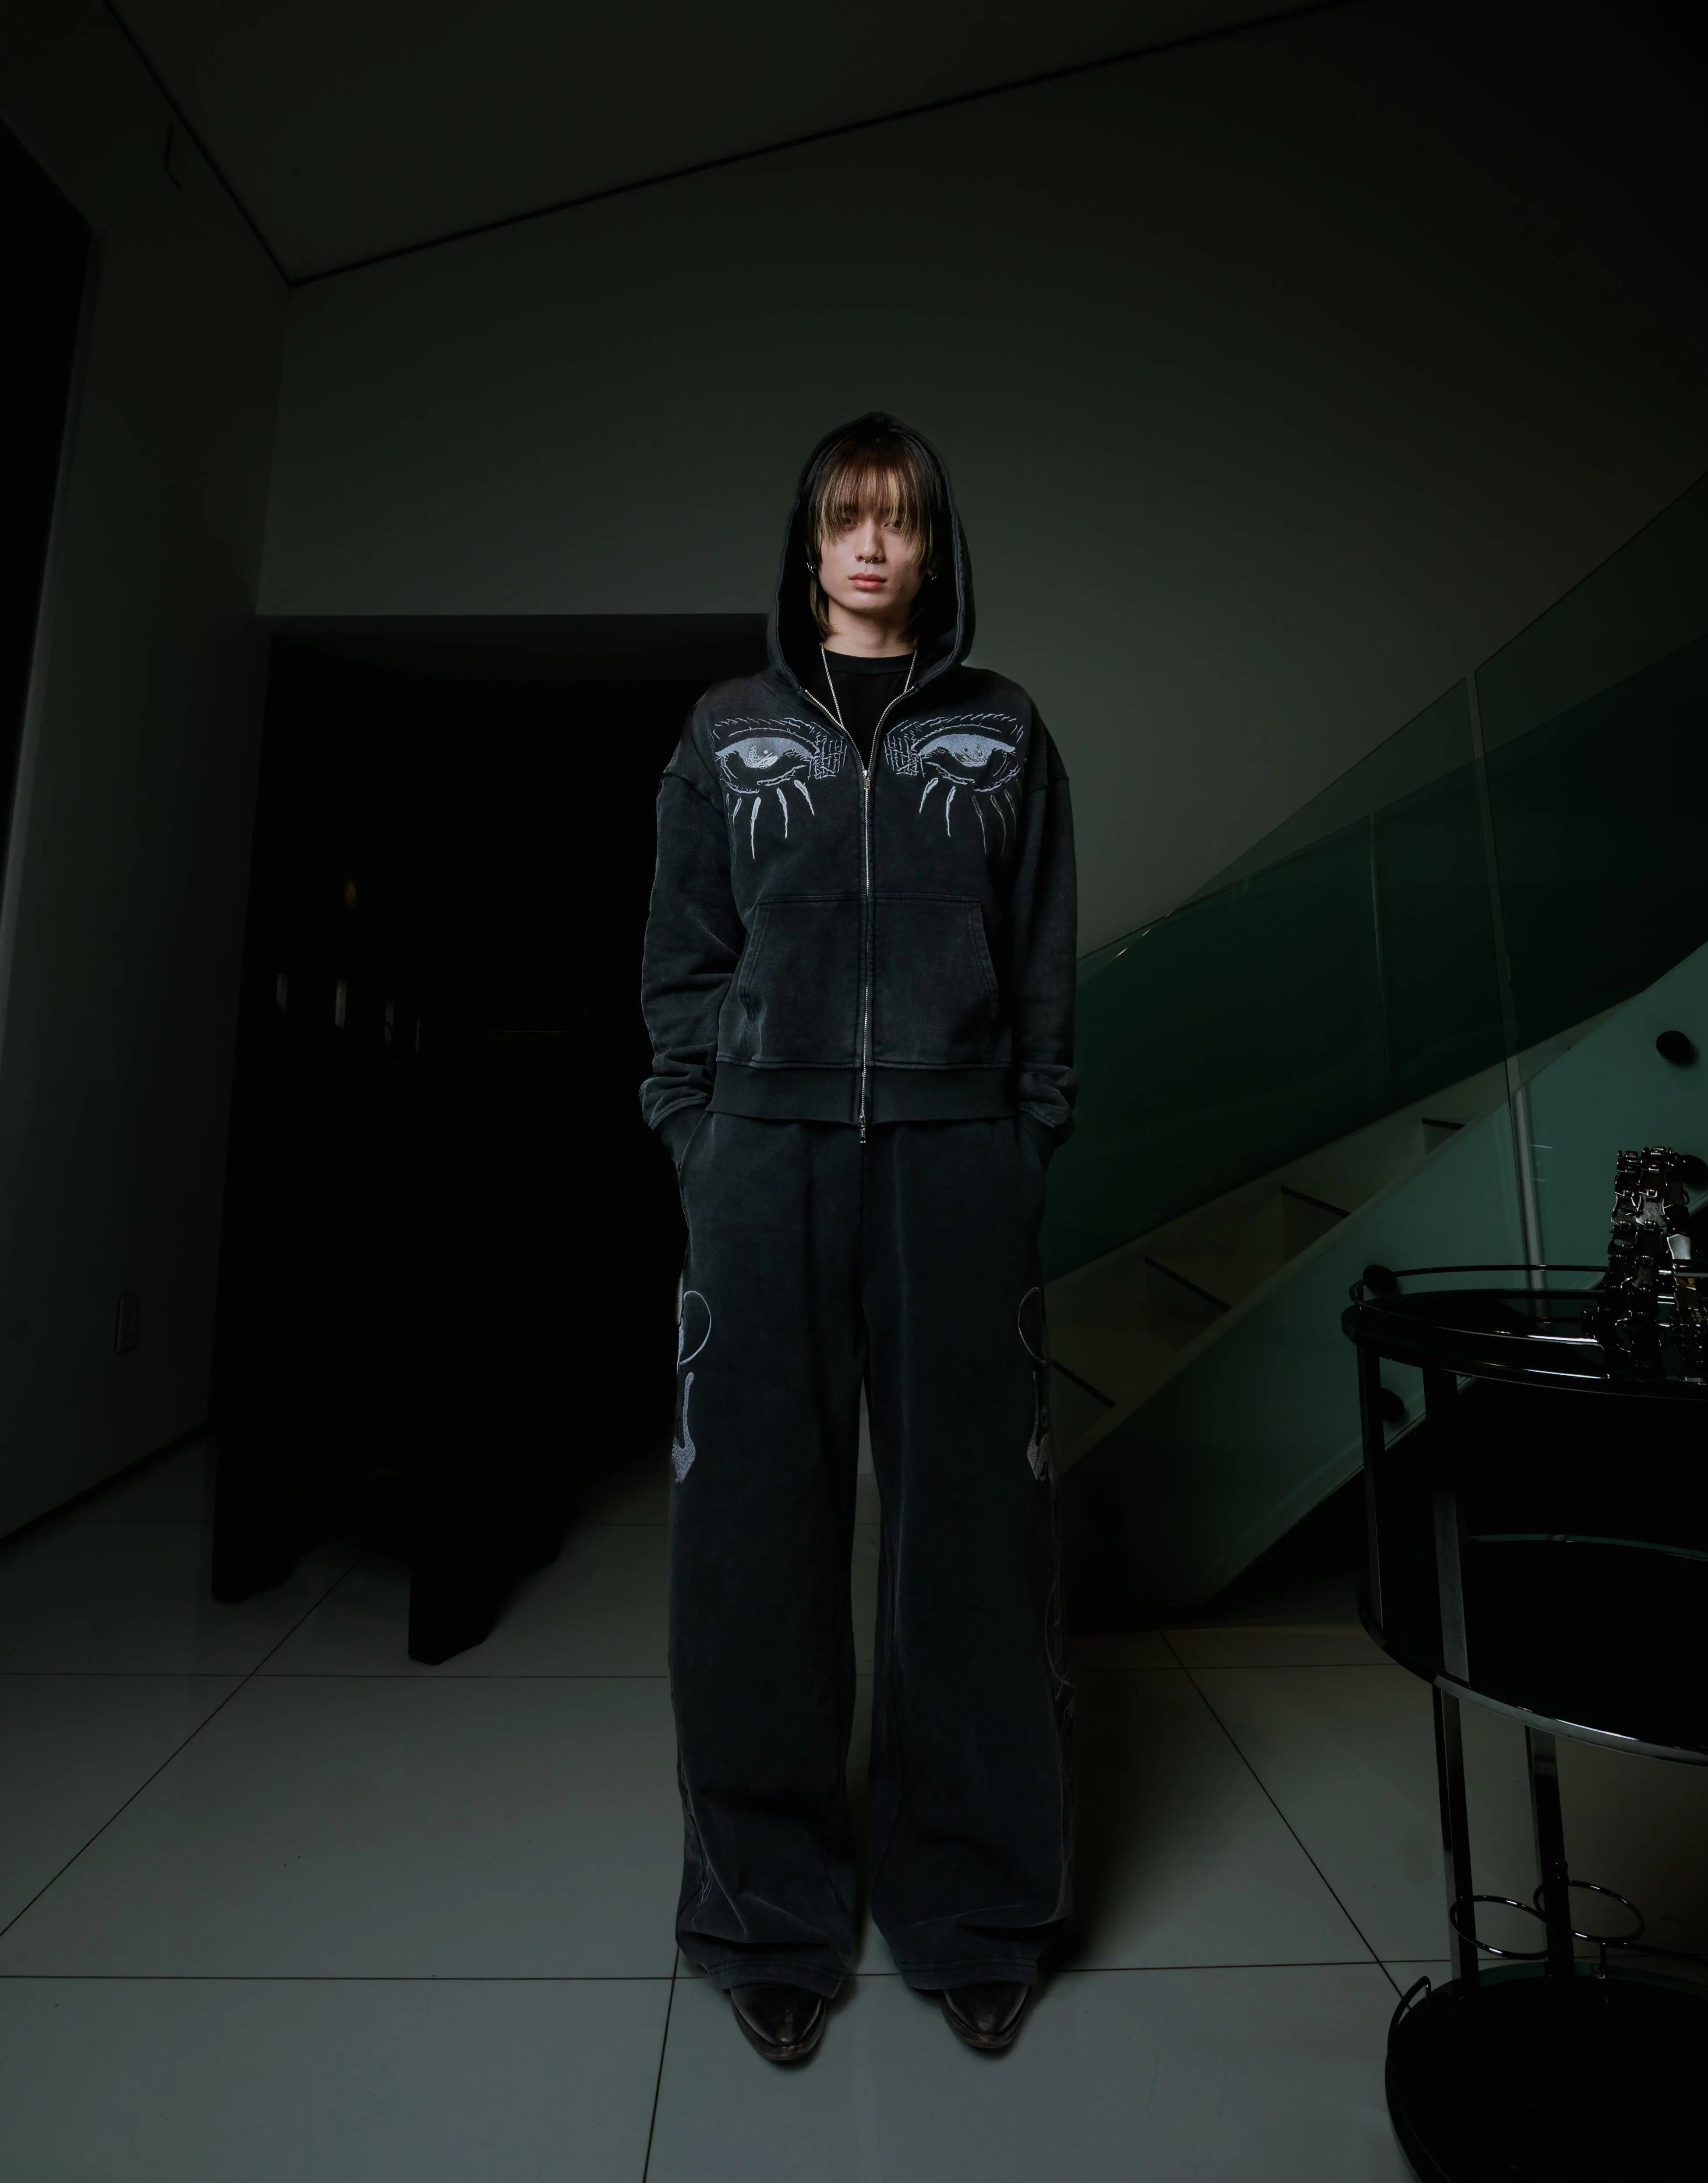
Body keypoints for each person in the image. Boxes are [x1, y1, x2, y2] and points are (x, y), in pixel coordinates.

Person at [639, 411, 1078, 2064]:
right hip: (764, 1170)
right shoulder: (726, 731)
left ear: (932, 542)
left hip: (958, 1170)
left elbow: (1041, 962)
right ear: (810, 543)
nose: (872, 546)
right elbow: (682, 962)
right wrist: (702, 1141)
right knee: (750, 1543)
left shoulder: (1005, 730)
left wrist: (1021, 1143)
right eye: (845, 519)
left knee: (972, 1541)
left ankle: (976, 1908)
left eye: (897, 518)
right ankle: (765, 1914)